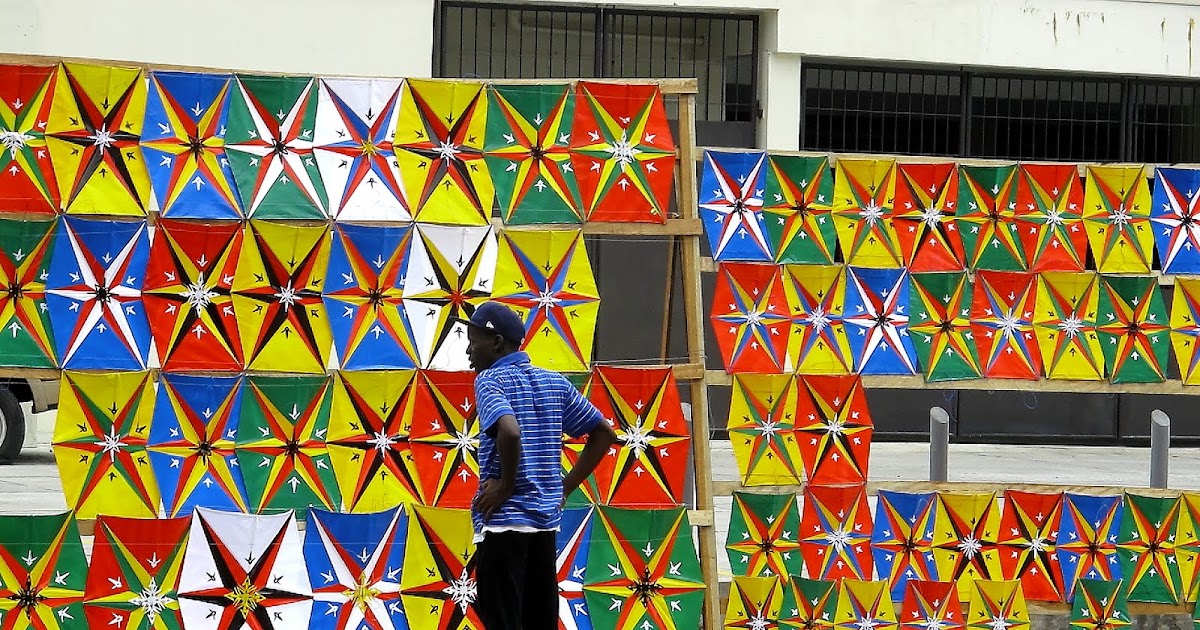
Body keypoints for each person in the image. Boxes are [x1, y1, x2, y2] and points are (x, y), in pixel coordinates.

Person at [457, 301, 617, 630]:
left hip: (503, 526)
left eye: (473, 342)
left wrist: (506, 487)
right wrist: (563, 488)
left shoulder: (489, 382)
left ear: (496, 342)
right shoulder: (553, 382)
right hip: (543, 528)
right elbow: (604, 433)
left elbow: (509, 431)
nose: (468, 351)